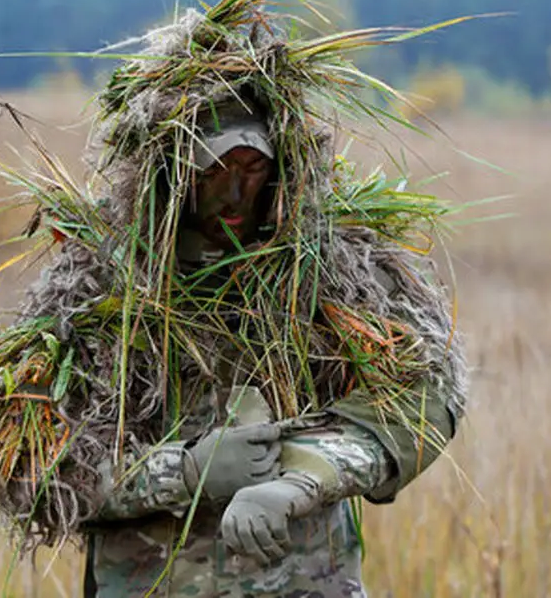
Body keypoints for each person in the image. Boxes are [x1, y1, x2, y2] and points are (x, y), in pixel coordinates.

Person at [74, 99, 467, 597]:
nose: (235, 194)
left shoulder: (335, 274)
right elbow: (40, 474)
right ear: (173, 173)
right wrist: (185, 470)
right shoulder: (100, 290)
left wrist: (304, 478)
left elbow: (424, 399)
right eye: (214, 171)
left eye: (253, 168)